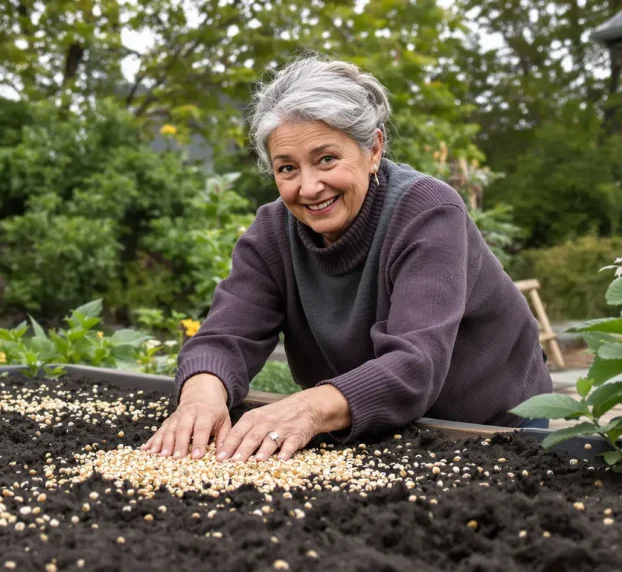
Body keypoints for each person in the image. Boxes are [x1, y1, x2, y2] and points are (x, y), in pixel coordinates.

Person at [141, 54, 553, 463]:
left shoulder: (427, 213)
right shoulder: (272, 233)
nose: (309, 187)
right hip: (379, 426)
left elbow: (415, 363)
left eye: (326, 159)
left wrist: (305, 408)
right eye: (287, 168)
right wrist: (201, 395)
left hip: (489, 422)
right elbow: (225, 337)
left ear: (373, 149)